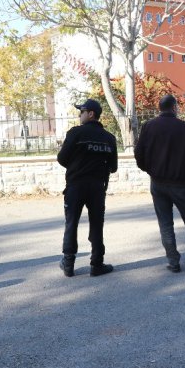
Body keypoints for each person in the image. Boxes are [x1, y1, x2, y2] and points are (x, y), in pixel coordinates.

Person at [134, 95, 185, 273]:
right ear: (174, 108)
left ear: (159, 108)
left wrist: (150, 170)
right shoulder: (184, 127)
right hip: (181, 183)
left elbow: (138, 153)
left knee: (165, 223)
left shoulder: (148, 126)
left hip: (158, 183)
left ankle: (173, 261)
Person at [57, 99, 117, 277]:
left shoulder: (75, 133)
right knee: (97, 224)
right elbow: (113, 167)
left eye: (81, 111)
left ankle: (68, 264)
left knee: (71, 223)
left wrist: (77, 165)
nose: (79, 115)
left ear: (91, 114)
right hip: (97, 187)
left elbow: (62, 159)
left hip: (75, 186)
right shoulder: (109, 138)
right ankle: (97, 264)